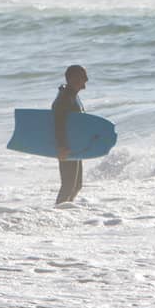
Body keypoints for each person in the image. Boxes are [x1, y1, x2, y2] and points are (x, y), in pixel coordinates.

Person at [53, 64, 88, 204]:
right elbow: (58, 123)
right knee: (68, 186)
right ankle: (57, 213)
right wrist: (61, 146)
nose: (86, 82)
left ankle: (67, 212)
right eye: (83, 78)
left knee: (76, 185)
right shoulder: (64, 98)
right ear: (73, 78)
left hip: (74, 146)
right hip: (66, 147)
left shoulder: (72, 96)